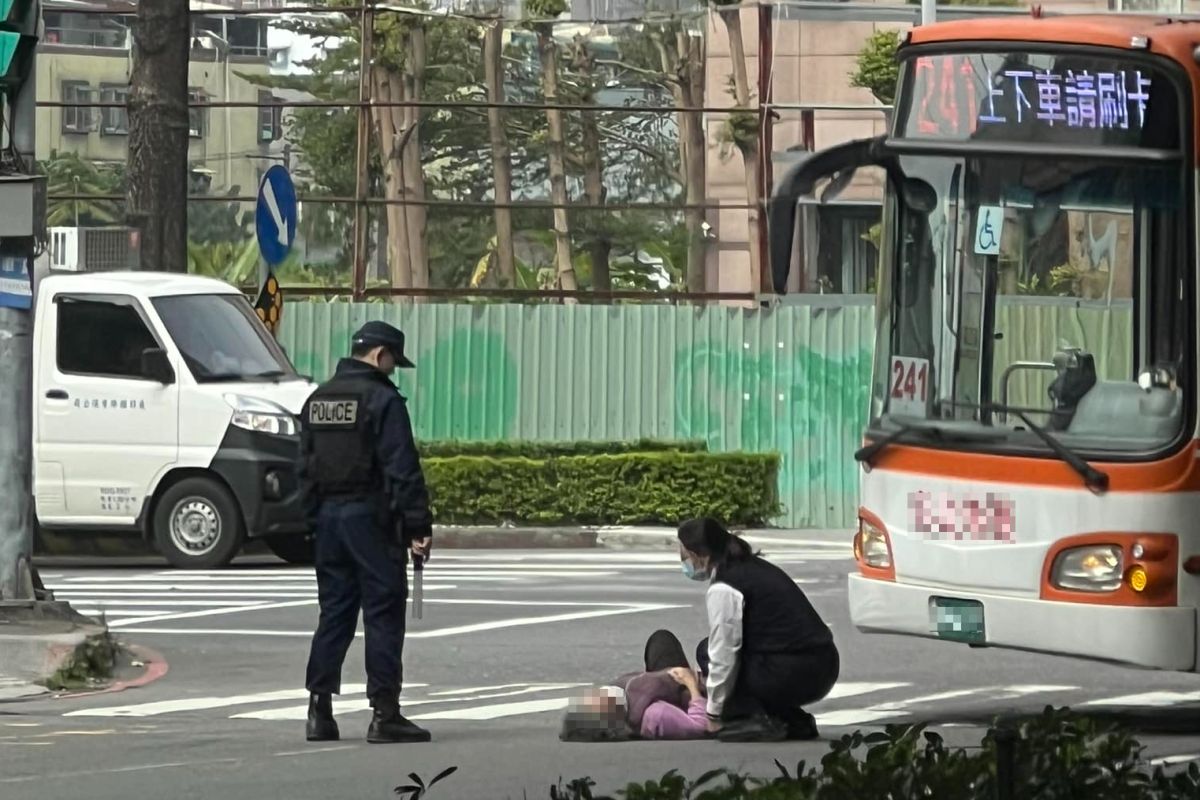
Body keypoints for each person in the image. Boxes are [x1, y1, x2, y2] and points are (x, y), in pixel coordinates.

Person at [298, 320, 434, 744]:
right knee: (383, 613)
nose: (393, 369)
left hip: (328, 522)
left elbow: (302, 467)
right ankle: (384, 713)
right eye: (393, 361)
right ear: (380, 355)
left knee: (334, 613)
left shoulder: (318, 399)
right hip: (371, 521)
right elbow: (401, 467)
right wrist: (418, 524)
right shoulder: (382, 400)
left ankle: (319, 710)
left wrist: (312, 522)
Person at [677, 517, 839, 742]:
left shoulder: (726, 586)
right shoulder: (751, 566)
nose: (684, 560)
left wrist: (714, 713)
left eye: (684, 554)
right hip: (823, 664)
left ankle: (751, 719)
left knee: (707, 652)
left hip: (795, 672)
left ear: (698, 555)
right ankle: (791, 719)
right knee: (732, 653)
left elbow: (724, 653)